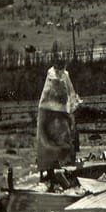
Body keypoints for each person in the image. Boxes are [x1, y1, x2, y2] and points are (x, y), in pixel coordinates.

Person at [36, 61, 82, 191]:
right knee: (48, 145)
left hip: (61, 113)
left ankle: (61, 173)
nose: (60, 71)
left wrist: (74, 103)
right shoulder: (51, 76)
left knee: (65, 141)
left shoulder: (65, 75)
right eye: (59, 68)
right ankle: (51, 175)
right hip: (48, 113)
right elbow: (49, 97)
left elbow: (70, 91)